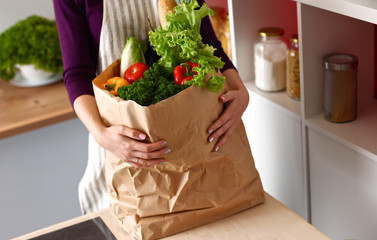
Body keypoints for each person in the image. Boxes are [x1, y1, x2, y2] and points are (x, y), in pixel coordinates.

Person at [53, 0, 249, 214]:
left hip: (196, 138)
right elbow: (77, 74)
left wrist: (241, 93)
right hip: (122, 144)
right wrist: (101, 134)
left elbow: (210, 47)